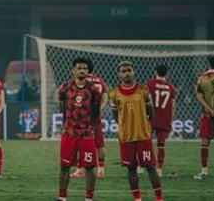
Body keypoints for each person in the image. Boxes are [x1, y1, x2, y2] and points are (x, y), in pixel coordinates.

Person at [109, 61, 164, 201]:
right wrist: (125, 125)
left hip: (143, 136)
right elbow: (116, 116)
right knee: (131, 169)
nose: (126, 73)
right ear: (119, 74)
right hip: (126, 138)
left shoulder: (143, 90)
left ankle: (159, 198)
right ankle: (137, 198)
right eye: (123, 71)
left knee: (151, 167)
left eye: (129, 70)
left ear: (134, 72)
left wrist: (144, 125)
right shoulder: (114, 94)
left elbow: (151, 113)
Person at [56, 57, 101, 201]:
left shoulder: (93, 90)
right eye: (79, 68)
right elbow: (62, 108)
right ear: (73, 70)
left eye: (85, 68)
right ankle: (62, 197)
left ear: (88, 71)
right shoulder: (65, 88)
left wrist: (86, 124)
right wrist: (68, 124)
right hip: (69, 134)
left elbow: (95, 111)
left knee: (90, 167)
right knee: (64, 166)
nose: (82, 70)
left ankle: (89, 198)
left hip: (86, 135)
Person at [72, 60, 108, 179]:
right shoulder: (100, 81)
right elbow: (105, 98)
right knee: (99, 143)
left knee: (80, 142)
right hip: (95, 117)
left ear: (87, 69)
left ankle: (79, 169)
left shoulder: (82, 82)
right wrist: (98, 110)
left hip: (82, 117)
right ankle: (101, 169)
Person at [146, 65, 177, 177]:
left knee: (146, 143)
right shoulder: (171, 87)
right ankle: (159, 170)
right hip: (164, 119)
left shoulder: (150, 84)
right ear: (167, 74)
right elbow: (173, 106)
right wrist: (170, 120)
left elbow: (145, 100)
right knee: (161, 145)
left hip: (150, 117)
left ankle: (142, 166)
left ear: (155, 72)